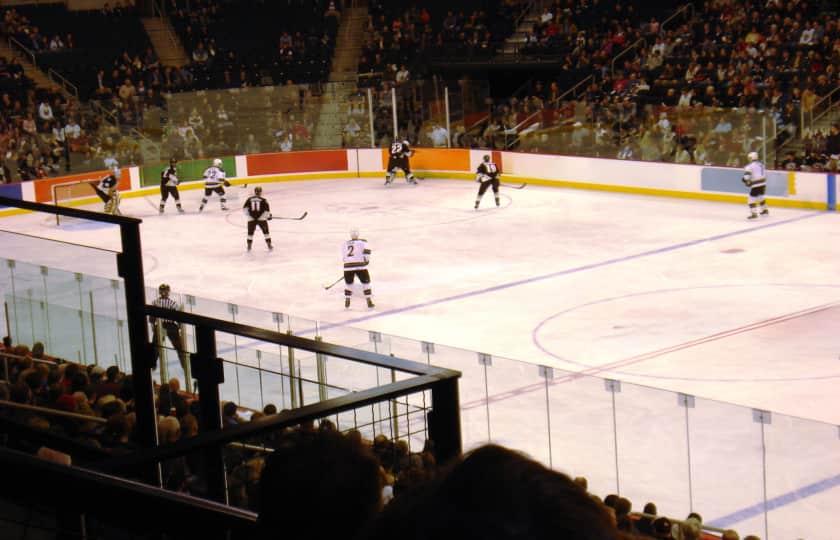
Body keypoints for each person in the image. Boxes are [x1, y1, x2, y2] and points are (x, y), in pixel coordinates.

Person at [150, 283, 189, 378]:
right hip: (171, 326)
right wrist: (179, 327)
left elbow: (152, 318)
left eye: (165, 290)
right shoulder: (172, 303)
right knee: (179, 347)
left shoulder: (155, 302)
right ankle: (185, 365)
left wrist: (153, 326)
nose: (164, 292)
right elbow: (178, 317)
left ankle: (152, 364)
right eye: (163, 290)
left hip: (161, 326)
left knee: (155, 346)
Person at [343, 229, 374, 309]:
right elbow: (367, 251)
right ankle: (368, 299)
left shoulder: (344, 244)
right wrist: (366, 261)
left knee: (349, 284)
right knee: (366, 283)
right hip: (360, 267)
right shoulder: (362, 242)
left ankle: (347, 299)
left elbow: (343, 257)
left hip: (347, 267)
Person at [243, 186, 273, 251]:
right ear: (260, 192)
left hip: (251, 219)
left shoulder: (249, 199)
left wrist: (250, 216)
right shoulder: (264, 200)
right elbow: (267, 211)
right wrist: (268, 216)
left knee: (250, 233)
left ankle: (249, 246)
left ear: (255, 191)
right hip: (261, 219)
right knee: (266, 233)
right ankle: (269, 245)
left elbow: (245, 209)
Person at [742, 151, 768, 219]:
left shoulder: (749, 166)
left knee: (750, 200)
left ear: (751, 158)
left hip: (756, 184)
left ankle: (754, 213)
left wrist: (744, 180)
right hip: (763, 183)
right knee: (760, 197)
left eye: (749, 158)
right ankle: (765, 210)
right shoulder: (761, 164)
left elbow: (746, 177)